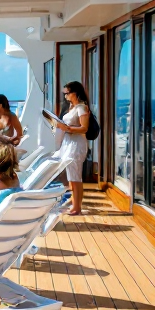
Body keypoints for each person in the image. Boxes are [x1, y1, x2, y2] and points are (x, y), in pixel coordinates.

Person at [53, 80, 91, 216]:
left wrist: (66, 128)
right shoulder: (72, 108)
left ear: (75, 93)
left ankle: (77, 207)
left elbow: (84, 128)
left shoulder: (81, 108)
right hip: (68, 143)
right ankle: (74, 204)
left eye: (67, 93)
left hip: (76, 144)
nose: (65, 96)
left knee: (75, 176)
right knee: (71, 176)